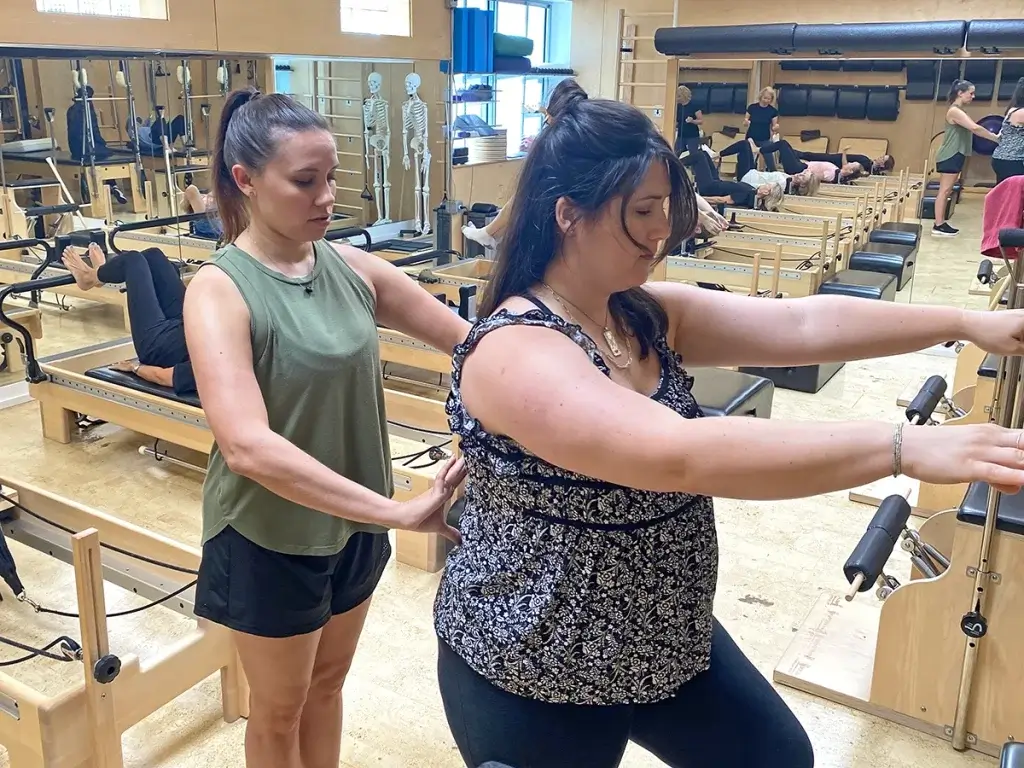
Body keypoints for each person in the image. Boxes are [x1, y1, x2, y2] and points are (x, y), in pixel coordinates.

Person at [431, 79, 1024, 768]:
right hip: (537, 656)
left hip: (658, 628)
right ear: (569, 214)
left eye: (666, 207)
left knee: (776, 757)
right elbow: (679, 454)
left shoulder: (635, 311)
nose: (663, 230)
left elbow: (800, 322)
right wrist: (902, 446)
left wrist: (964, 323)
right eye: (643, 210)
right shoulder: (516, 351)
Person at [182, 88, 470, 768]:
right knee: (278, 712)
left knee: (328, 685)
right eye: (305, 181)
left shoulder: (354, 270)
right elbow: (247, 446)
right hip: (270, 538)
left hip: (354, 531)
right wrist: (395, 511)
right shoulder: (220, 290)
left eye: (332, 178)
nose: (327, 197)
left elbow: (477, 344)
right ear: (246, 181)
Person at [60, 243, 196, 397]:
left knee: (132, 261)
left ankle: (89, 277)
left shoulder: (217, 367)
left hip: (158, 344)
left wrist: (134, 368)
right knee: (154, 256)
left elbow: (164, 377)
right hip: (187, 327)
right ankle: (99, 274)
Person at [933, 79, 1001, 237]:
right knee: (944, 191)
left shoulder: (960, 110)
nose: (973, 96)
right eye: (971, 93)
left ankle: (940, 223)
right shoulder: (955, 111)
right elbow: (975, 128)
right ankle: (938, 225)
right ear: (960, 93)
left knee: (947, 190)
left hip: (957, 153)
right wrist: (996, 138)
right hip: (950, 154)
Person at [682, 143, 784, 211]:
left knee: (699, 157)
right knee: (704, 154)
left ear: (766, 192)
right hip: (716, 182)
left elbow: (721, 200)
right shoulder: (752, 191)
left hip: (709, 187)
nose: (764, 185)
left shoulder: (748, 194)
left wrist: (697, 199)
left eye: (767, 185)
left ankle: (672, 164)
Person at [754, 138, 863, 184]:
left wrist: (800, 174)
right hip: (802, 165)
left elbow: (814, 177)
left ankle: (759, 150)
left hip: (798, 169)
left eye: (851, 164)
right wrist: (844, 152)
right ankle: (769, 152)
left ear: (850, 171)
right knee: (786, 146)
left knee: (782, 144)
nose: (848, 163)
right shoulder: (839, 171)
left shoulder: (832, 174)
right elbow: (844, 164)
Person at [991, 78, 1024, 184]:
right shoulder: (1021, 112)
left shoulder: (1012, 109)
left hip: (1003, 158)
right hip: (1011, 160)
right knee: (1013, 196)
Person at [744, 87, 780, 171]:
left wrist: (776, 127)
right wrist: (746, 122)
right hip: (751, 138)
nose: (766, 100)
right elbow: (745, 121)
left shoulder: (773, 111)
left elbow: (774, 127)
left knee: (770, 161)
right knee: (747, 159)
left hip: (764, 139)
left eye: (768, 99)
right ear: (761, 96)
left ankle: (774, 175)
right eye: (765, 98)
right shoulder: (752, 107)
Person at [674, 85, 704, 156]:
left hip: (692, 136)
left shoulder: (694, 105)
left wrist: (692, 121)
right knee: (675, 154)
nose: (677, 98)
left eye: (679, 96)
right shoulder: (678, 106)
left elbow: (701, 121)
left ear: (684, 96)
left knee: (694, 155)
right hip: (681, 136)